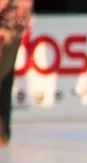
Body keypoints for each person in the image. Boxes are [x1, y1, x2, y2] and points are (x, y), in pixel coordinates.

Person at [0, 0, 32, 147]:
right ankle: (4, 132)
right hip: (12, 35)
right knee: (6, 81)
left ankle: (3, 132)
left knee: (5, 80)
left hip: (8, 37)